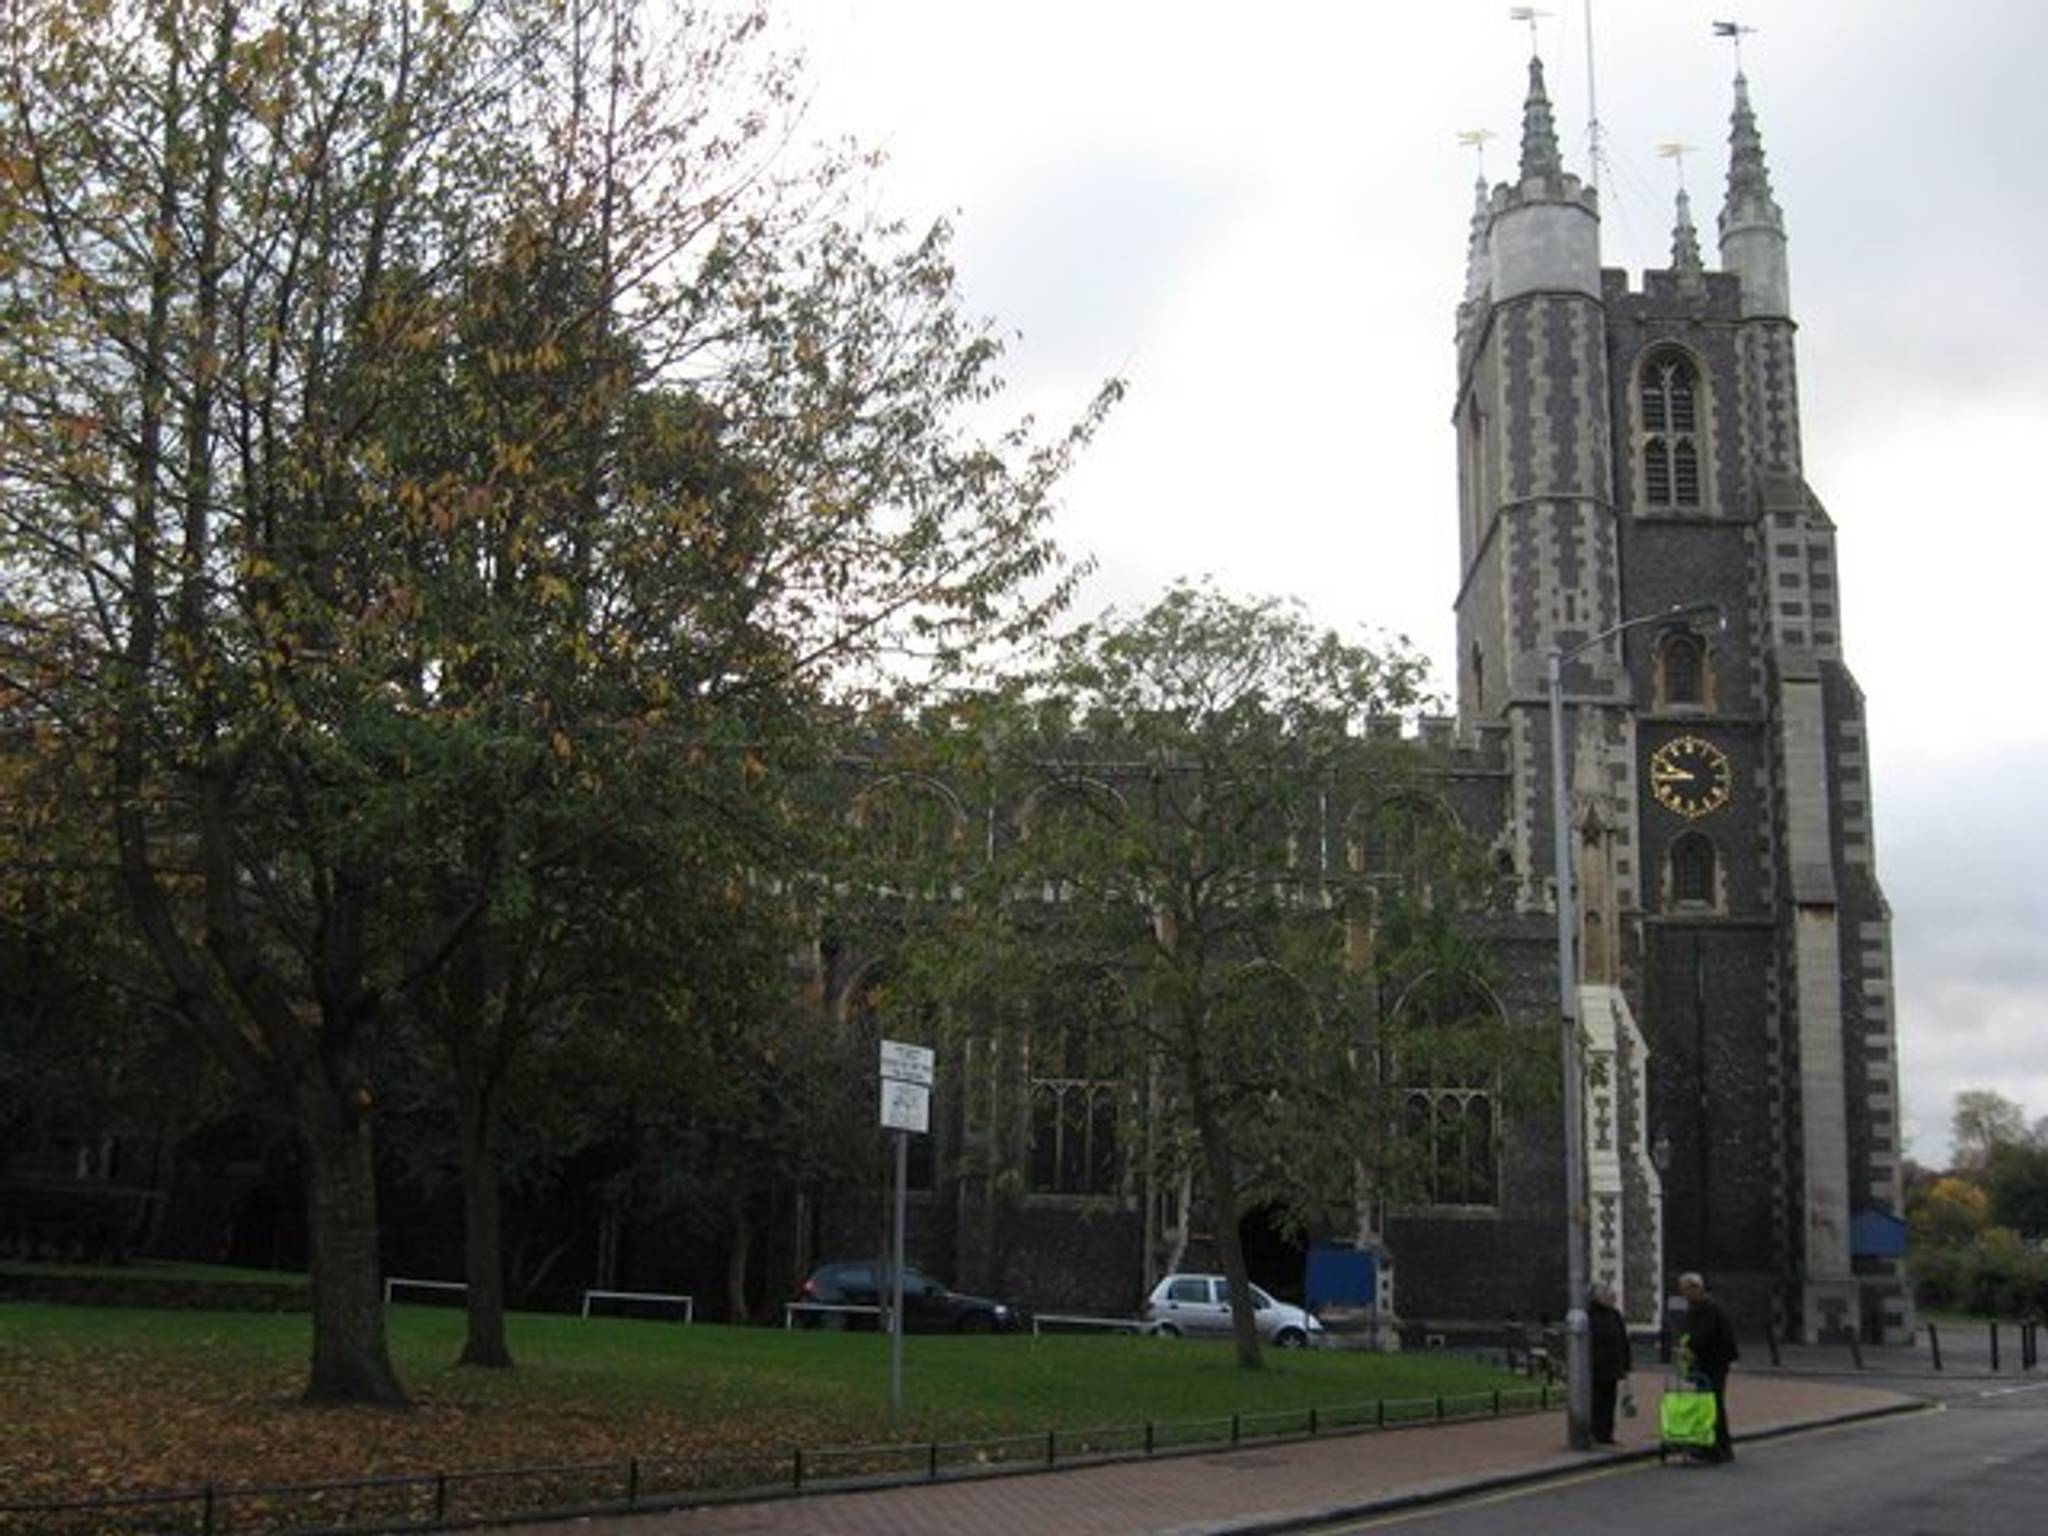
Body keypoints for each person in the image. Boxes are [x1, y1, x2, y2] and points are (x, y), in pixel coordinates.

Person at [1678, 1270, 1739, 1462]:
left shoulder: (1708, 1309)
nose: (1683, 1294)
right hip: (1709, 1363)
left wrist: (1688, 1347)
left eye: (1686, 1290)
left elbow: (1704, 1336)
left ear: (1696, 1288)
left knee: (1711, 1405)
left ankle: (1716, 1448)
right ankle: (1715, 1447)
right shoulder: (1702, 1308)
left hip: (1712, 1364)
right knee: (1710, 1405)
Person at [1587, 1282, 1632, 1444]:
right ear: (1596, 1297)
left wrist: (1626, 1365)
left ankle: (1606, 1434)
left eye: (1611, 1294)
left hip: (1612, 1367)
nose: (1612, 1296)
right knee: (1596, 1402)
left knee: (1609, 1403)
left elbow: (1623, 1340)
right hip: (1595, 1367)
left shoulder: (1615, 1314)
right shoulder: (1589, 1315)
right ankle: (1594, 1433)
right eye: (1607, 1294)